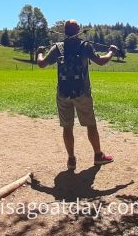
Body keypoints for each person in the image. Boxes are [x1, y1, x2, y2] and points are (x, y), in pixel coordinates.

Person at [37, 20, 118, 170]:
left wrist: (40, 52)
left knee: (67, 128)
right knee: (91, 125)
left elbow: (41, 64)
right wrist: (112, 51)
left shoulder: (57, 48)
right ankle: (98, 156)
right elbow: (101, 61)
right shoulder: (84, 46)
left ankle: (71, 160)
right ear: (78, 31)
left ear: (64, 31)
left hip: (63, 93)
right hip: (82, 93)